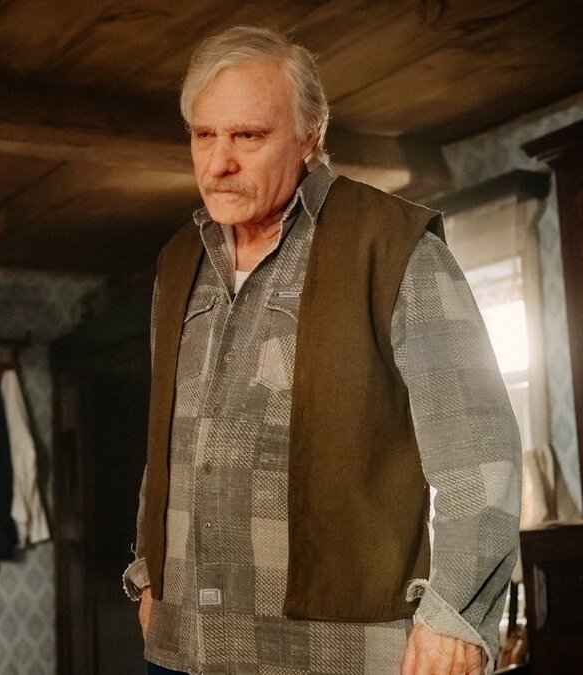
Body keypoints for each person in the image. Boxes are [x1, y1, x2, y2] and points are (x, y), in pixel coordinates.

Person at [125, 26, 521, 675]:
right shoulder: (177, 263)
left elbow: (479, 451)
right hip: (179, 648)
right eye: (203, 135)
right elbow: (169, 440)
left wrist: (454, 617)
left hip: (332, 657)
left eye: (247, 136)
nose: (218, 162)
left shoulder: (393, 245)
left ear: (310, 134)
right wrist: (148, 572)